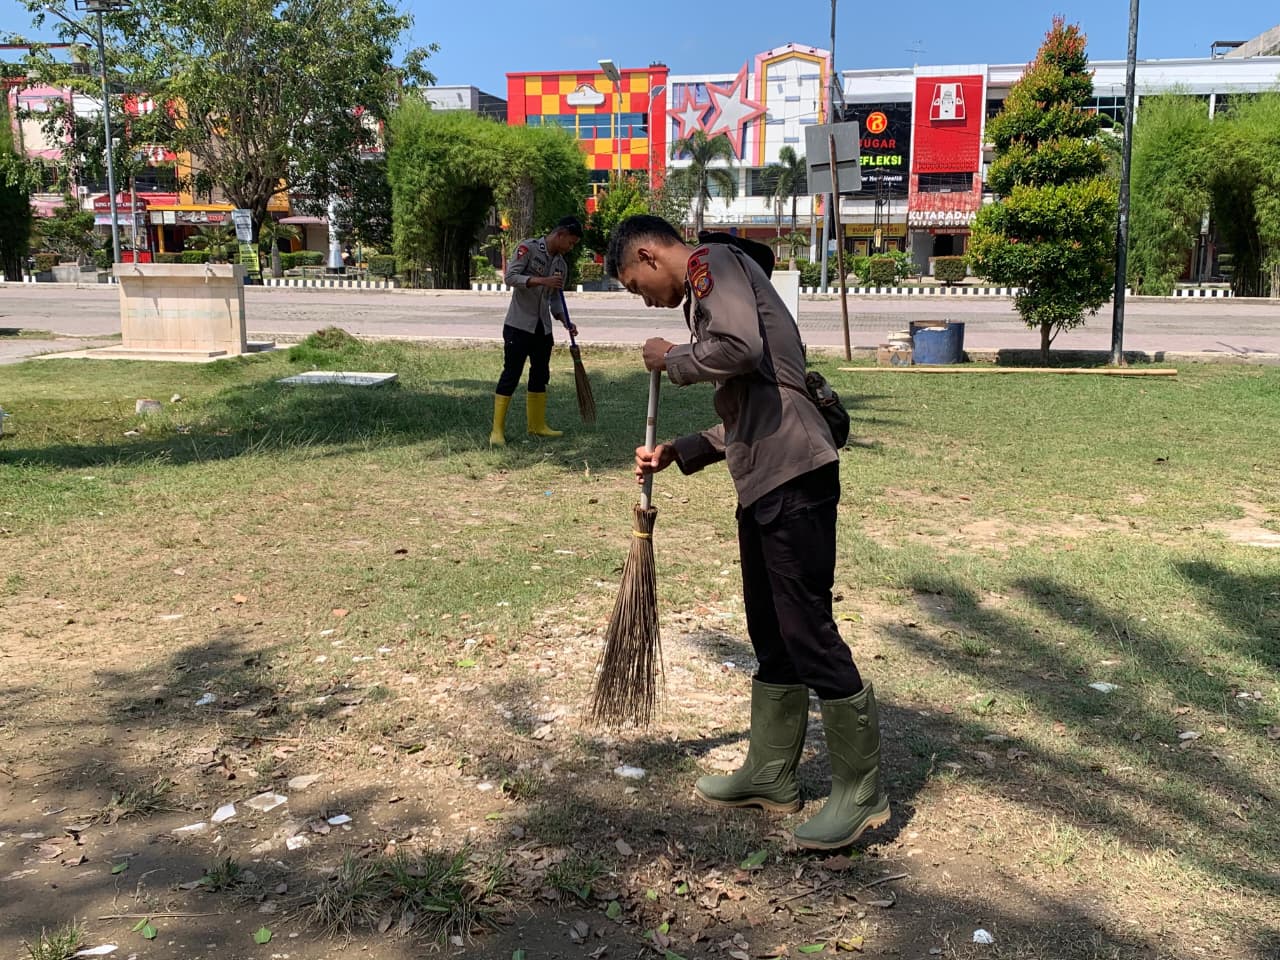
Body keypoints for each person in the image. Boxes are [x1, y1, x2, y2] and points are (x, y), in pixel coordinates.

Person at [604, 214, 889, 850]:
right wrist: (680, 449)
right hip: (765, 475)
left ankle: (861, 792)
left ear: (650, 256)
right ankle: (770, 774)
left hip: (794, 475)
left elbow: (739, 352)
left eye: (633, 284)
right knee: (771, 628)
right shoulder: (714, 285)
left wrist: (670, 357)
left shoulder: (712, 265)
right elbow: (755, 402)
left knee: (807, 630)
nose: (642, 298)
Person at [490, 216, 583, 446]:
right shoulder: (528, 248)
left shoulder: (561, 264)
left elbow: (555, 300)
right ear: (560, 234)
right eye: (570, 242)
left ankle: (537, 425)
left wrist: (564, 320)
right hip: (519, 325)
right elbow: (511, 277)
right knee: (511, 374)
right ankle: (497, 431)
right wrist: (542, 280)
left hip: (543, 329)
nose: (570, 248)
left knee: (540, 374)